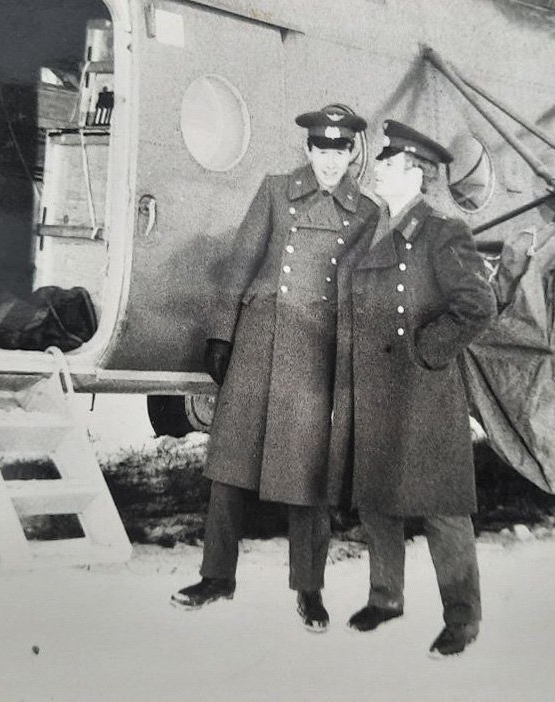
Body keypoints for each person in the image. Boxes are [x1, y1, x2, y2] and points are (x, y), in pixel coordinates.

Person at [172, 106, 380, 633]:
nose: (330, 162)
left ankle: (309, 590)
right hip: (260, 338)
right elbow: (241, 261)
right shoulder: (274, 190)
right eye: (321, 151)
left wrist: (351, 363)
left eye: (340, 152)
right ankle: (216, 577)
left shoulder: (366, 213)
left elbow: (359, 293)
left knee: (308, 476)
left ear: (351, 154)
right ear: (308, 150)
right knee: (228, 468)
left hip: (313, 349)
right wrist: (222, 332)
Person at [328, 120, 496, 656]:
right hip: (374, 387)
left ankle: (462, 618)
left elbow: (478, 305)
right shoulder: (372, 228)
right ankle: (385, 598)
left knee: (442, 507)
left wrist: (428, 349)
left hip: (422, 392)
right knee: (376, 499)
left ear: (415, 173)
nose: (376, 168)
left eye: (387, 162)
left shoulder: (443, 233)